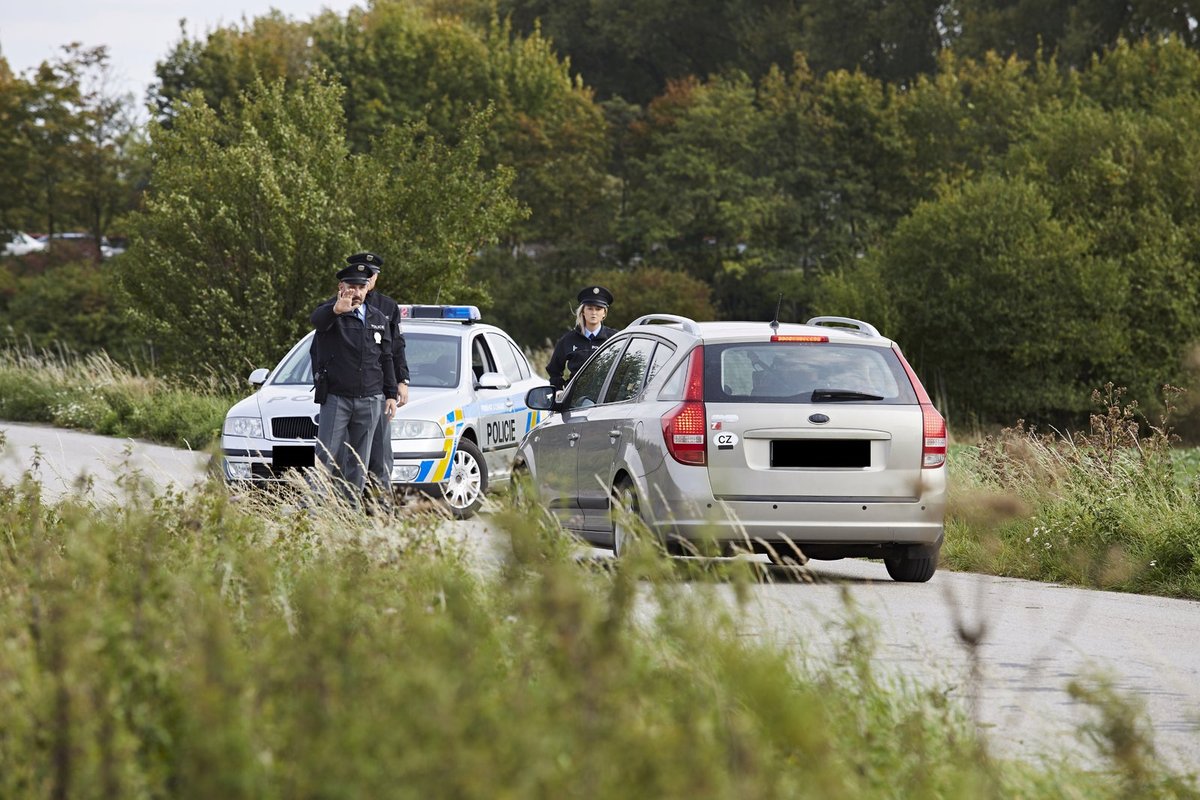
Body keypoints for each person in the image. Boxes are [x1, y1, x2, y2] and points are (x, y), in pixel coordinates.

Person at [309, 260, 398, 503]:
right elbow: (316, 321)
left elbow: (386, 357)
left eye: (361, 287)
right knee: (325, 455)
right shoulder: (330, 312)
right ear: (341, 286)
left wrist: (391, 393)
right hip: (337, 398)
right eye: (351, 286)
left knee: (358, 461)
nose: (356, 292)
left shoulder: (378, 317)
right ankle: (310, 511)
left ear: (367, 288)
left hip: (369, 399)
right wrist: (337, 309)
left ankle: (350, 513)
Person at [348, 252, 410, 506]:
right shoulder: (339, 303)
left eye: (372, 274)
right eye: (363, 274)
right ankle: (343, 505)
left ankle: (381, 506)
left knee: (380, 453)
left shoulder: (387, 307)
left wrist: (401, 382)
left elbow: (395, 347)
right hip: (345, 392)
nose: (368, 278)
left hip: (378, 390)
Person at [546, 285, 617, 390]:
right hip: (576, 400)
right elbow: (554, 370)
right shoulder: (568, 340)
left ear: (604, 313)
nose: (594, 313)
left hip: (607, 399)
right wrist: (559, 390)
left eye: (598, 309)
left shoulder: (614, 338)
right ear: (583, 311)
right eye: (590, 308)